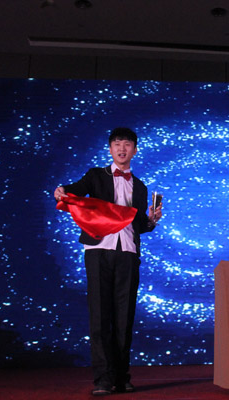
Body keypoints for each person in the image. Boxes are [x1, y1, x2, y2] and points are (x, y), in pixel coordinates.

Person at [53, 127, 162, 396]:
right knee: (100, 315)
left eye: (127, 144)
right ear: (110, 149)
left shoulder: (140, 186)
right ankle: (103, 379)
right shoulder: (95, 175)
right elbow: (76, 189)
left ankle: (122, 377)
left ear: (135, 150)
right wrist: (62, 190)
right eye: (117, 144)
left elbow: (138, 226)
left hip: (128, 253)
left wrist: (151, 220)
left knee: (125, 317)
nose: (122, 149)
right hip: (99, 249)